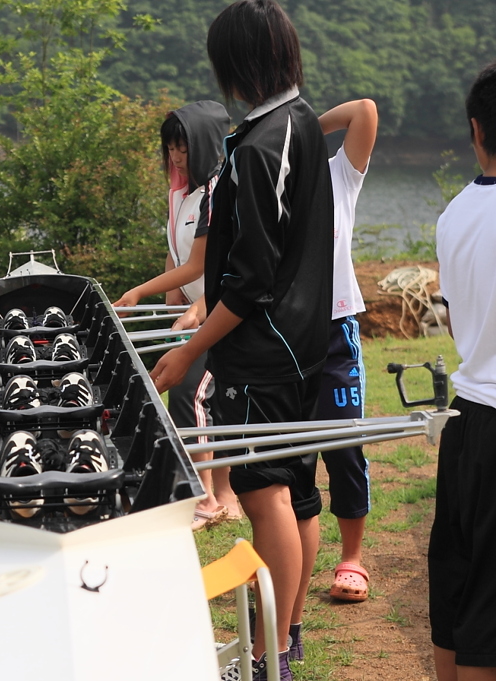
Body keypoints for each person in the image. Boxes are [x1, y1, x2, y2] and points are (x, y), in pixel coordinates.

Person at [149, 2, 333, 679]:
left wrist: (191, 347)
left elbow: (250, 280)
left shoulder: (258, 147)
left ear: (238, 62)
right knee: (295, 491)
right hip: (301, 342)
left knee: (265, 496)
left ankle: (269, 657)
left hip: (263, 350)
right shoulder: (301, 121)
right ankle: (286, 637)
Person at [113, 101, 241, 531]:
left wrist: (135, 292)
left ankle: (205, 496)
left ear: (205, 145)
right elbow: (175, 257)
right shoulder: (179, 194)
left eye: (183, 147)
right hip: (192, 316)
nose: (175, 156)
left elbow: (199, 267)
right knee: (193, 397)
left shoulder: (215, 194)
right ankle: (212, 492)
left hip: (221, 313)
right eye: (170, 147)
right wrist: (167, 308)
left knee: (192, 395)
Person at [430, 59, 496, 681]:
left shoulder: (453, 217)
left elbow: (455, 322)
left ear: (477, 131)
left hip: (467, 416)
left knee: (455, 586)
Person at [315, 99, 378, 609]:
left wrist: (306, 131)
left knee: (344, 446)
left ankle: (352, 557)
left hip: (337, 329)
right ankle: (286, 552)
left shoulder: (339, 173)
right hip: (283, 336)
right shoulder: (273, 183)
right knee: (286, 450)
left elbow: (364, 111)